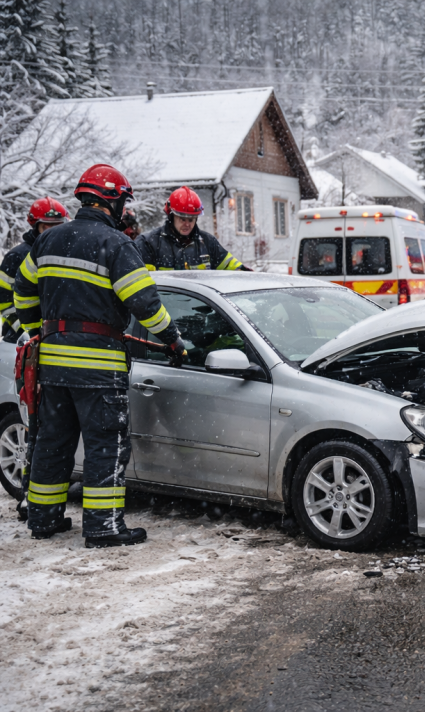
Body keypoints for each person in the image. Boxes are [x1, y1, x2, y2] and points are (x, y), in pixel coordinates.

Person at [14, 163, 186, 548]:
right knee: (106, 445)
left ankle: (42, 519)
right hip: (99, 368)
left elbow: (22, 293)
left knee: (53, 442)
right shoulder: (116, 245)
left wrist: (37, 330)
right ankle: (103, 527)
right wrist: (173, 339)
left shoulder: (48, 241)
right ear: (112, 201)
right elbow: (146, 305)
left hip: (53, 366)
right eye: (124, 201)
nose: (126, 209)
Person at [0, 197, 69, 343]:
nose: (53, 232)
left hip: (56, 336)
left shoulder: (68, 255)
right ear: (35, 226)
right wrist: (26, 328)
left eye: (58, 226)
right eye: (46, 227)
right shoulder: (17, 256)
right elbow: (4, 300)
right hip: (19, 338)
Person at [135, 186, 250, 271]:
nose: (187, 224)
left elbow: (229, 266)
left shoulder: (207, 242)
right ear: (171, 216)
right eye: (182, 219)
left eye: (191, 219)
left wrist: (245, 273)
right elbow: (143, 285)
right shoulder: (148, 243)